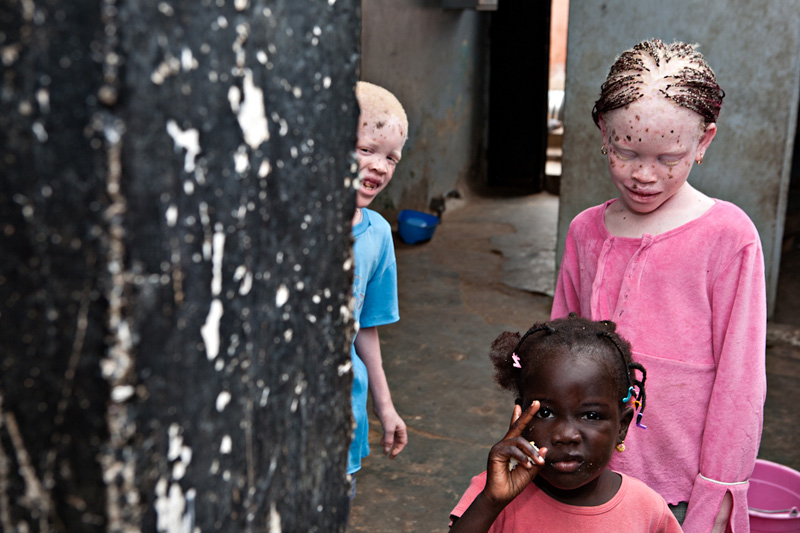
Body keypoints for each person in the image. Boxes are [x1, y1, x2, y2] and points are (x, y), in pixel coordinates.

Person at [551, 39, 767, 532]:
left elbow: (742, 381)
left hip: (680, 491)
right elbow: (557, 347)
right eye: (625, 152)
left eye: (668, 158)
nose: (643, 175)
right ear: (603, 132)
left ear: (704, 142)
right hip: (585, 476)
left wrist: (721, 486)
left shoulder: (729, 237)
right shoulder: (586, 230)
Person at [449, 315, 680, 532]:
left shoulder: (647, 510)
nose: (566, 434)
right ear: (520, 418)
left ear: (622, 426)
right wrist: (491, 501)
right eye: (546, 412)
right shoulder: (493, 493)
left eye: (591, 416)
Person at [347, 81, 408, 489]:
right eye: (367, 150)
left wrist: (384, 407)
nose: (381, 167)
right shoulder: (287, 232)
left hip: (344, 410)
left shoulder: (378, 234)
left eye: (392, 158)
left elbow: (365, 327)